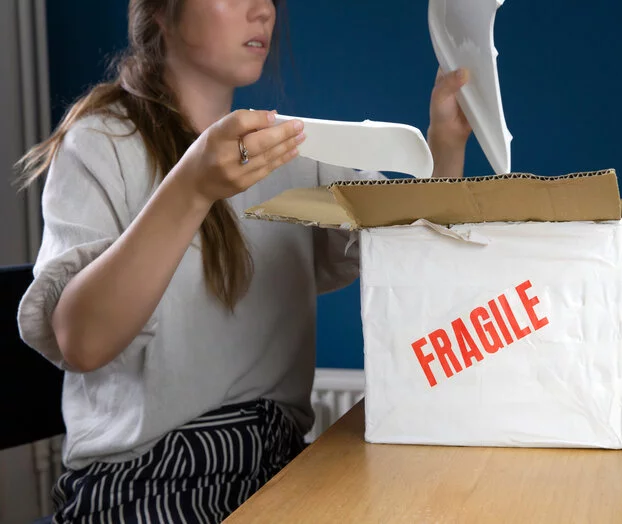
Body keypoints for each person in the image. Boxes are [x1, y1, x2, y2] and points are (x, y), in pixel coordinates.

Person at [16, 0, 471, 522]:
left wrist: (445, 143)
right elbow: (83, 341)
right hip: (141, 483)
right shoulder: (98, 144)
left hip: (278, 471)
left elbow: (412, 254)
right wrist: (190, 189)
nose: (263, 12)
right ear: (162, 12)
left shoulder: (292, 149)